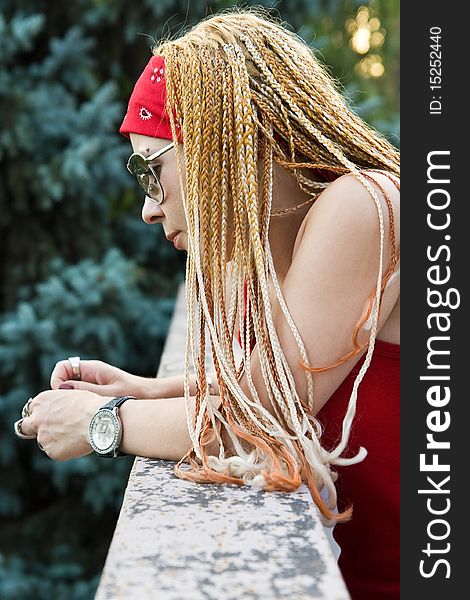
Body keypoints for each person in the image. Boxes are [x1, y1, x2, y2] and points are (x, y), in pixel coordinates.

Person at [14, 10, 400, 599]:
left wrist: (104, 424)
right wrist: (148, 389)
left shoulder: (364, 206)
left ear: (220, 143)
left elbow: (262, 422)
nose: (148, 208)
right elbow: (265, 384)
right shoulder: (278, 251)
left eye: (151, 172)